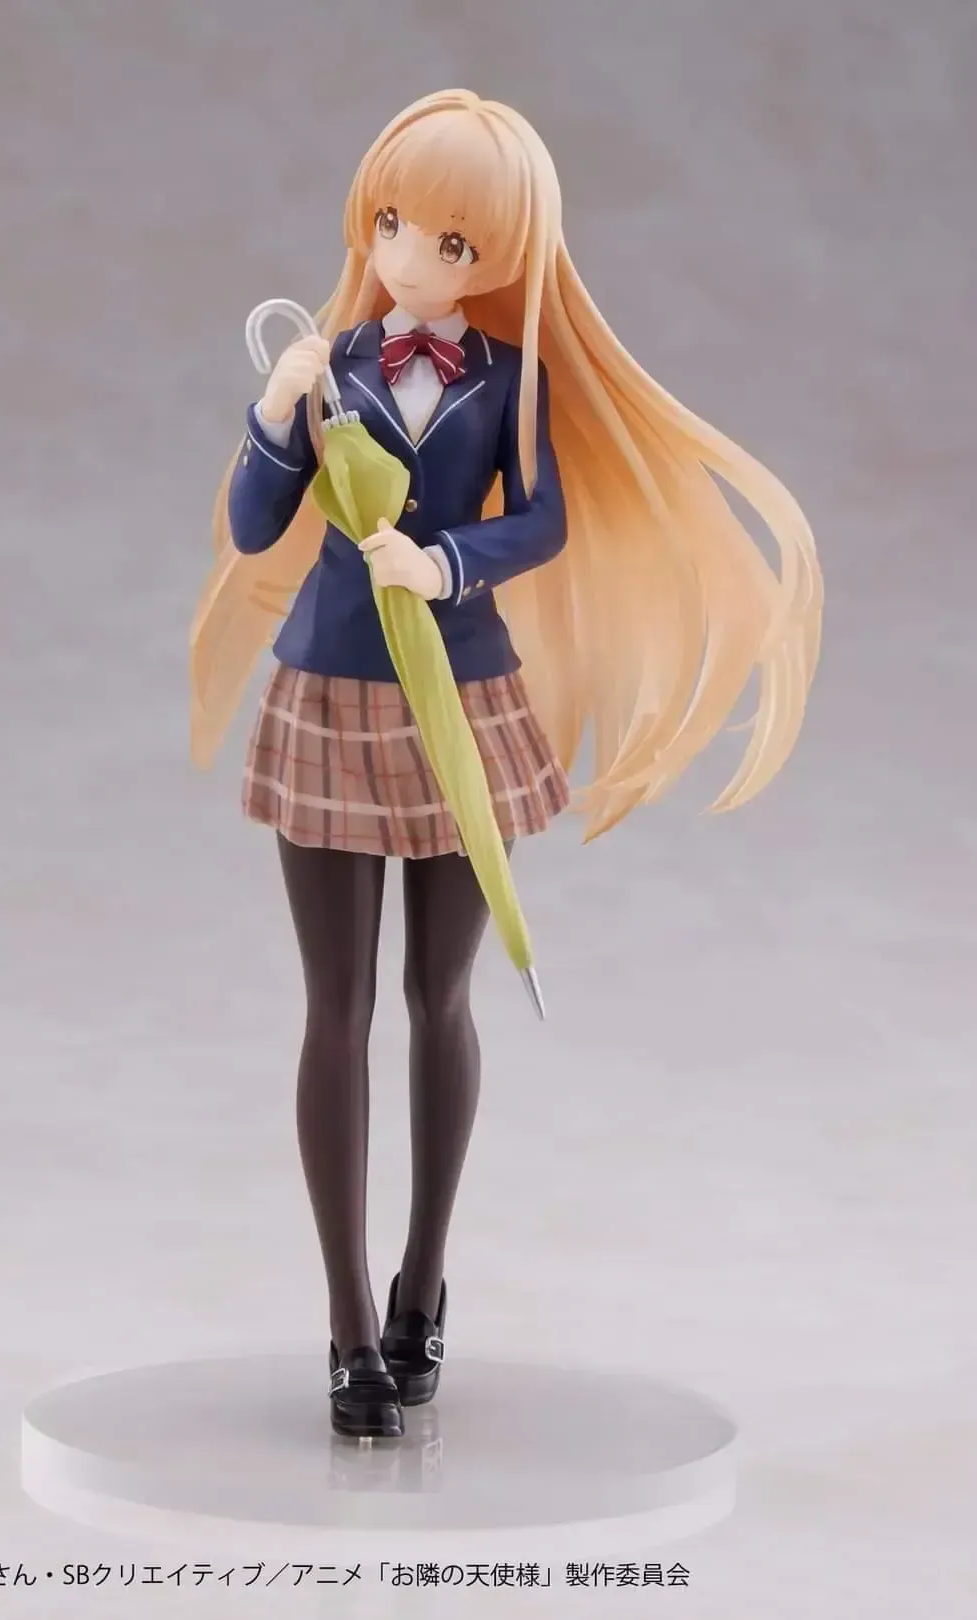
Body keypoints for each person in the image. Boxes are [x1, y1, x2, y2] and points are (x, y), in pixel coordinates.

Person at [189, 89, 823, 1440]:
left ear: (500, 253)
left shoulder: (512, 379)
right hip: (333, 686)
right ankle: (347, 1323)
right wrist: (274, 411)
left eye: (452, 240)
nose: (412, 255)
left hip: (464, 691)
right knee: (334, 1010)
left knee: (441, 998)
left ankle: (422, 1285)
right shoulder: (329, 364)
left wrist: (445, 561)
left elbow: (538, 522)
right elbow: (253, 525)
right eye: (392, 223)